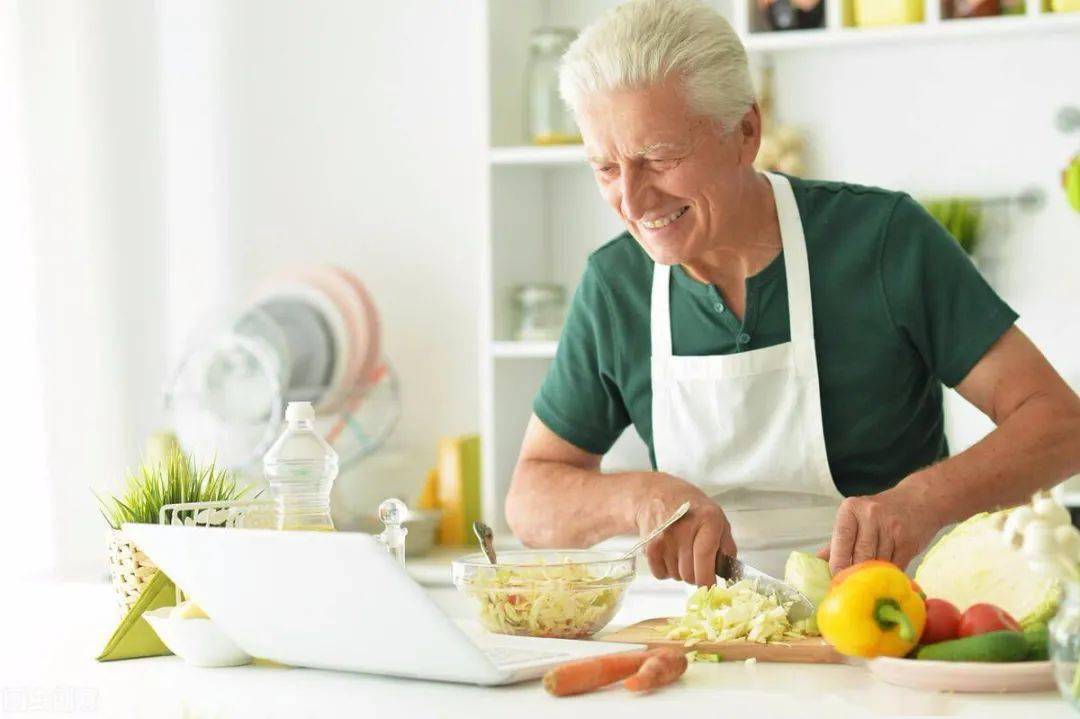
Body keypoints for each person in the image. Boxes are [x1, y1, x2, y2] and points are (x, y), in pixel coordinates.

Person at [504, 0, 1080, 583]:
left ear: (746, 132)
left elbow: (1059, 424)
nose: (632, 199)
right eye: (605, 168)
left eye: (659, 158)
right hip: (707, 636)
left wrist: (923, 501)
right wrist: (640, 499)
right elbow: (531, 498)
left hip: (896, 619)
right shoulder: (615, 285)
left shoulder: (882, 241)